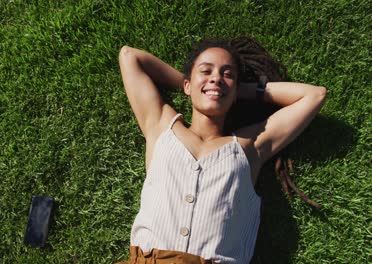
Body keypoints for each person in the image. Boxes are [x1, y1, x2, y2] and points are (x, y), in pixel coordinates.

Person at [116, 37, 326, 264]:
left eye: (227, 75)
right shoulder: (161, 126)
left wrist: (239, 91)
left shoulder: (250, 147)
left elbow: (315, 95)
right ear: (187, 84)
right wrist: (198, 86)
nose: (216, 77)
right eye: (206, 71)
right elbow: (130, 56)